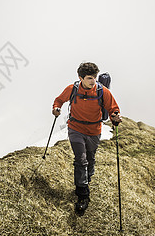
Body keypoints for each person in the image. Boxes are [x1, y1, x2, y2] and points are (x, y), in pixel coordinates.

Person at [52, 62, 122, 214]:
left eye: (95, 78)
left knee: (90, 158)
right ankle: (83, 194)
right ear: (80, 77)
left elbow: (113, 108)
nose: (93, 81)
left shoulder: (102, 91)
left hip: (94, 131)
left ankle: (87, 178)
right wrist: (56, 108)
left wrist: (115, 116)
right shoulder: (72, 89)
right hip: (75, 129)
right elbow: (59, 100)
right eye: (90, 78)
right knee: (80, 159)